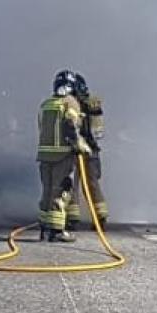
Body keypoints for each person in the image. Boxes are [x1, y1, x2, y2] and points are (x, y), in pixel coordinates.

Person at [36, 70, 91, 243]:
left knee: (46, 192)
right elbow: (71, 126)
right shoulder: (70, 103)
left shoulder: (45, 104)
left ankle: (44, 229)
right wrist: (80, 145)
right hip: (62, 156)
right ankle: (57, 230)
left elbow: (41, 128)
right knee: (61, 191)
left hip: (44, 156)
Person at [67, 75, 107, 231]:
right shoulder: (94, 104)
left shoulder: (71, 104)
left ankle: (72, 218)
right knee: (92, 184)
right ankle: (100, 217)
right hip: (92, 150)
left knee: (71, 184)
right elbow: (99, 132)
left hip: (76, 149)